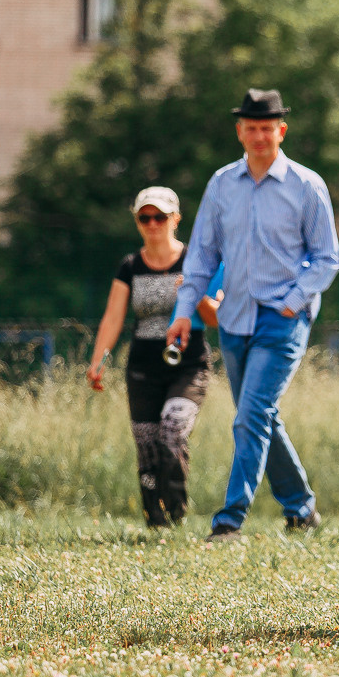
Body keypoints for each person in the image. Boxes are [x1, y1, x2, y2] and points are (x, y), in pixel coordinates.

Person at [166, 87, 339, 543]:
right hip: (233, 319)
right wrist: (186, 313)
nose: (260, 136)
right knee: (259, 415)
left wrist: (292, 301)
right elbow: (201, 256)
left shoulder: (307, 185)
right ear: (239, 131)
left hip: (282, 320)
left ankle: (229, 520)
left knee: (250, 416)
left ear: (281, 131)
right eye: (252, 128)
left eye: (268, 128)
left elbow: (327, 259)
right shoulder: (222, 183)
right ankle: (301, 509)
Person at [87, 186, 223, 528]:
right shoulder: (130, 266)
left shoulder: (197, 261)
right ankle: (155, 520)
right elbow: (113, 318)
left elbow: (214, 317)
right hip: (143, 367)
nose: (152, 224)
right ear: (137, 221)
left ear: (175, 219)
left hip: (188, 365)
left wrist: (193, 292)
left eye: (160, 217)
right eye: (144, 217)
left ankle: (176, 514)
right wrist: (98, 360)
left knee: (172, 433)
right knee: (147, 444)